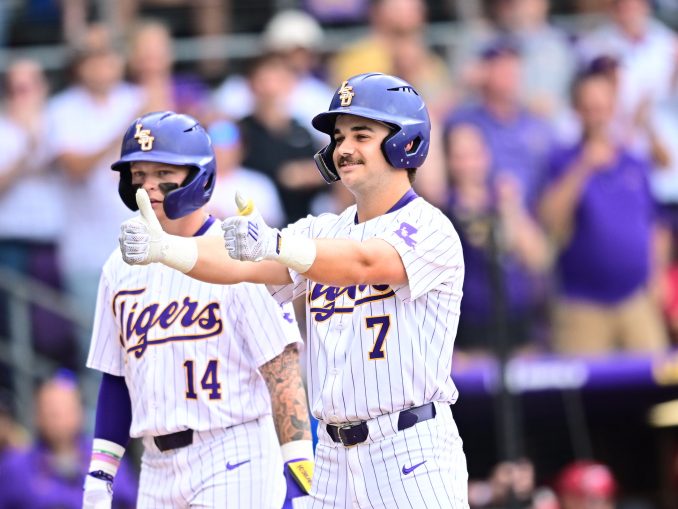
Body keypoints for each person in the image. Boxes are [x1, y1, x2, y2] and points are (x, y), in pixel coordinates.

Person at [118, 73, 470, 508]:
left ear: (406, 142)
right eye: (338, 138)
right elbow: (240, 264)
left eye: (361, 135)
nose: (343, 148)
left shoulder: (429, 225)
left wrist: (275, 243)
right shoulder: (324, 230)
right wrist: (166, 248)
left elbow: (364, 263)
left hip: (410, 450)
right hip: (334, 458)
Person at [83, 111, 313, 508]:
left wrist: (301, 472)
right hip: (156, 465)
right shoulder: (119, 266)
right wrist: (101, 475)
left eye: (162, 173)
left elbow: (281, 370)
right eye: (139, 174)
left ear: (198, 176)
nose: (148, 186)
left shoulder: (237, 253)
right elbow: (116, 378)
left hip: (234, 451)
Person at [538, 70, 669, 355]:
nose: (597, 116)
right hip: (582, 305)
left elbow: (652, 225)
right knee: (583, 382)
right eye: (589, 108)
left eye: (602, 107)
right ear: (577, 111)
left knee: (658, 376)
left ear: (613, 109)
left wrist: (656, 277)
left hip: (636, 299)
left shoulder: (634, 162)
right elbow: (549, 218)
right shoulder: (561, 160)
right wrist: (584, 166)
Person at [0, 372, 137, 509]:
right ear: (37, 415)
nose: (58, 417)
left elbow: (132, 502)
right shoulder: (14, 467)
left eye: (66, 408)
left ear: (81, 412)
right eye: (51, 410)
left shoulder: (108, 458)